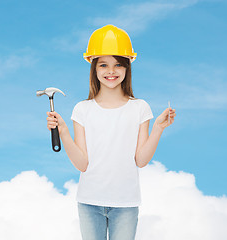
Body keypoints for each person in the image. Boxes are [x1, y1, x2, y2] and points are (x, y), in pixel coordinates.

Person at [46, 24, 176, 240]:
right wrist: (63, 132)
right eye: (103, 65)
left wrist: (159, 128)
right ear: (94, 68)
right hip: (89, 202)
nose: (111, 71)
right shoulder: (82, 109)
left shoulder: (140, 108)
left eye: (118, 65)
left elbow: (141, 160)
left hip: (126, 204)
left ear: (127, 68)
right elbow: (82, 164)